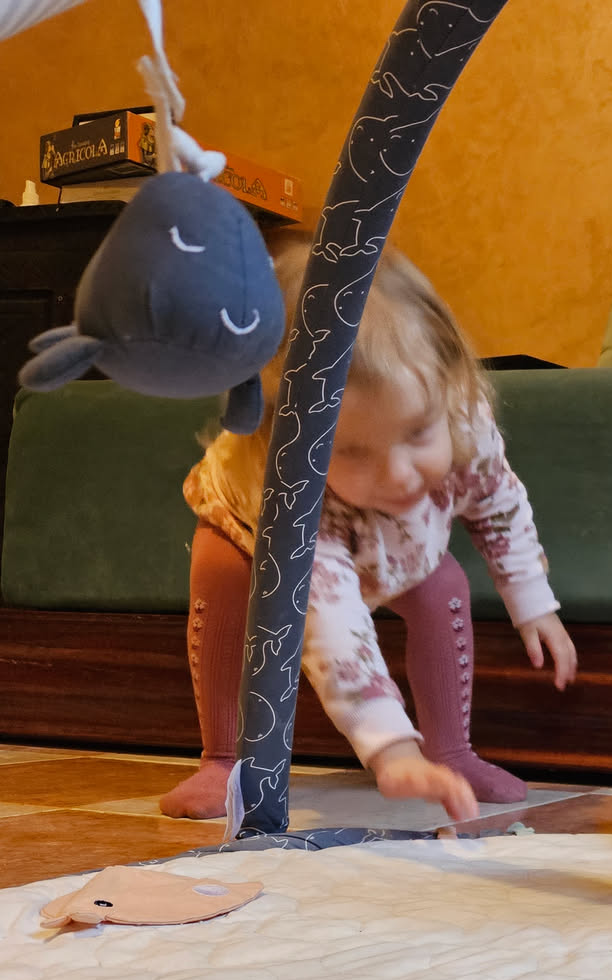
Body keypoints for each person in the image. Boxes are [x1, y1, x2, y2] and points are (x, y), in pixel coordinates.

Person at [158, 234, 576, 822]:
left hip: (395, 540)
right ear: (292, 440)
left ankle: (452, 751)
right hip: (253, 529)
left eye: (418, 433)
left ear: (451, 381)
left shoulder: (462, 421)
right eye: (353, 451)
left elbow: (498, 505)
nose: (400, 474)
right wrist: (391, 751)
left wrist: (533, 603)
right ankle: (226, 760)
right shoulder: (298, 496)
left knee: (442, 588)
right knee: (222, 575)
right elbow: (333, 624)